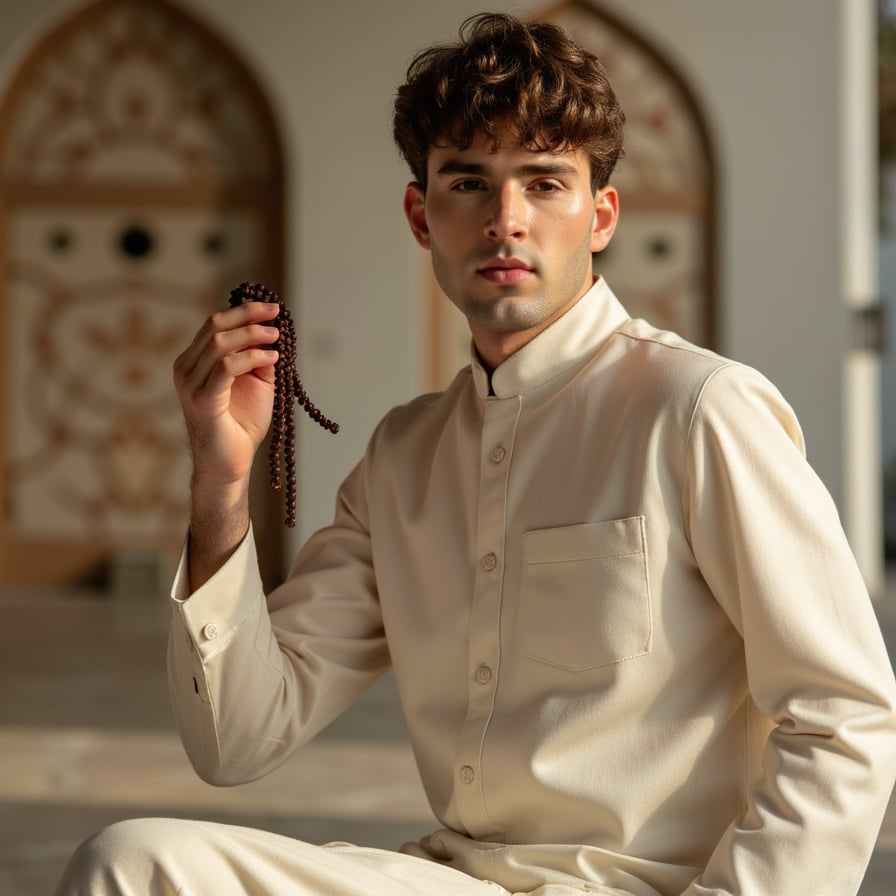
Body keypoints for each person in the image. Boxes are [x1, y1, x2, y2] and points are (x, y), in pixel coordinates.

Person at [57, 12, 896, 896]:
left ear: (600, 215)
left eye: (543, 184)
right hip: (453, 881)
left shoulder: (698, 409)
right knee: (134, 864)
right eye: (468, 182)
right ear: (422, 216)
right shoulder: (404, 459)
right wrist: (222, 483)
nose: (506, 220)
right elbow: (236, 739)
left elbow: (845, 717)